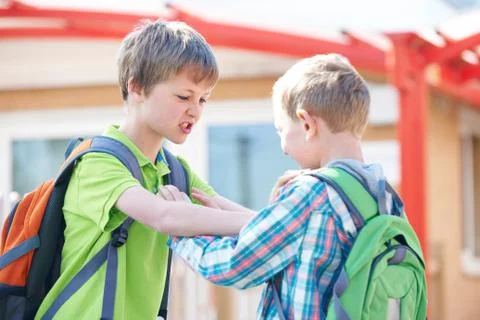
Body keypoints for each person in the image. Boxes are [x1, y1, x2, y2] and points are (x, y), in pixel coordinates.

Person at [35, 20, 254, 320]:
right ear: (136, 86)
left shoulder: (173, 170)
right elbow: (163, 216)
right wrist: (268, 224)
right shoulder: (97, 162)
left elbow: (235, 214)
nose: (196, 110)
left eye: (203, 99)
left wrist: (284, 221)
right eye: (184, 97)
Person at [163, 54, 411, 319]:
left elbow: (235, 265)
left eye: (281, 130)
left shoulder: (311, 195)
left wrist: (181, 231)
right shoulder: (385, 196)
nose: (282, 147)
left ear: (307, 124)